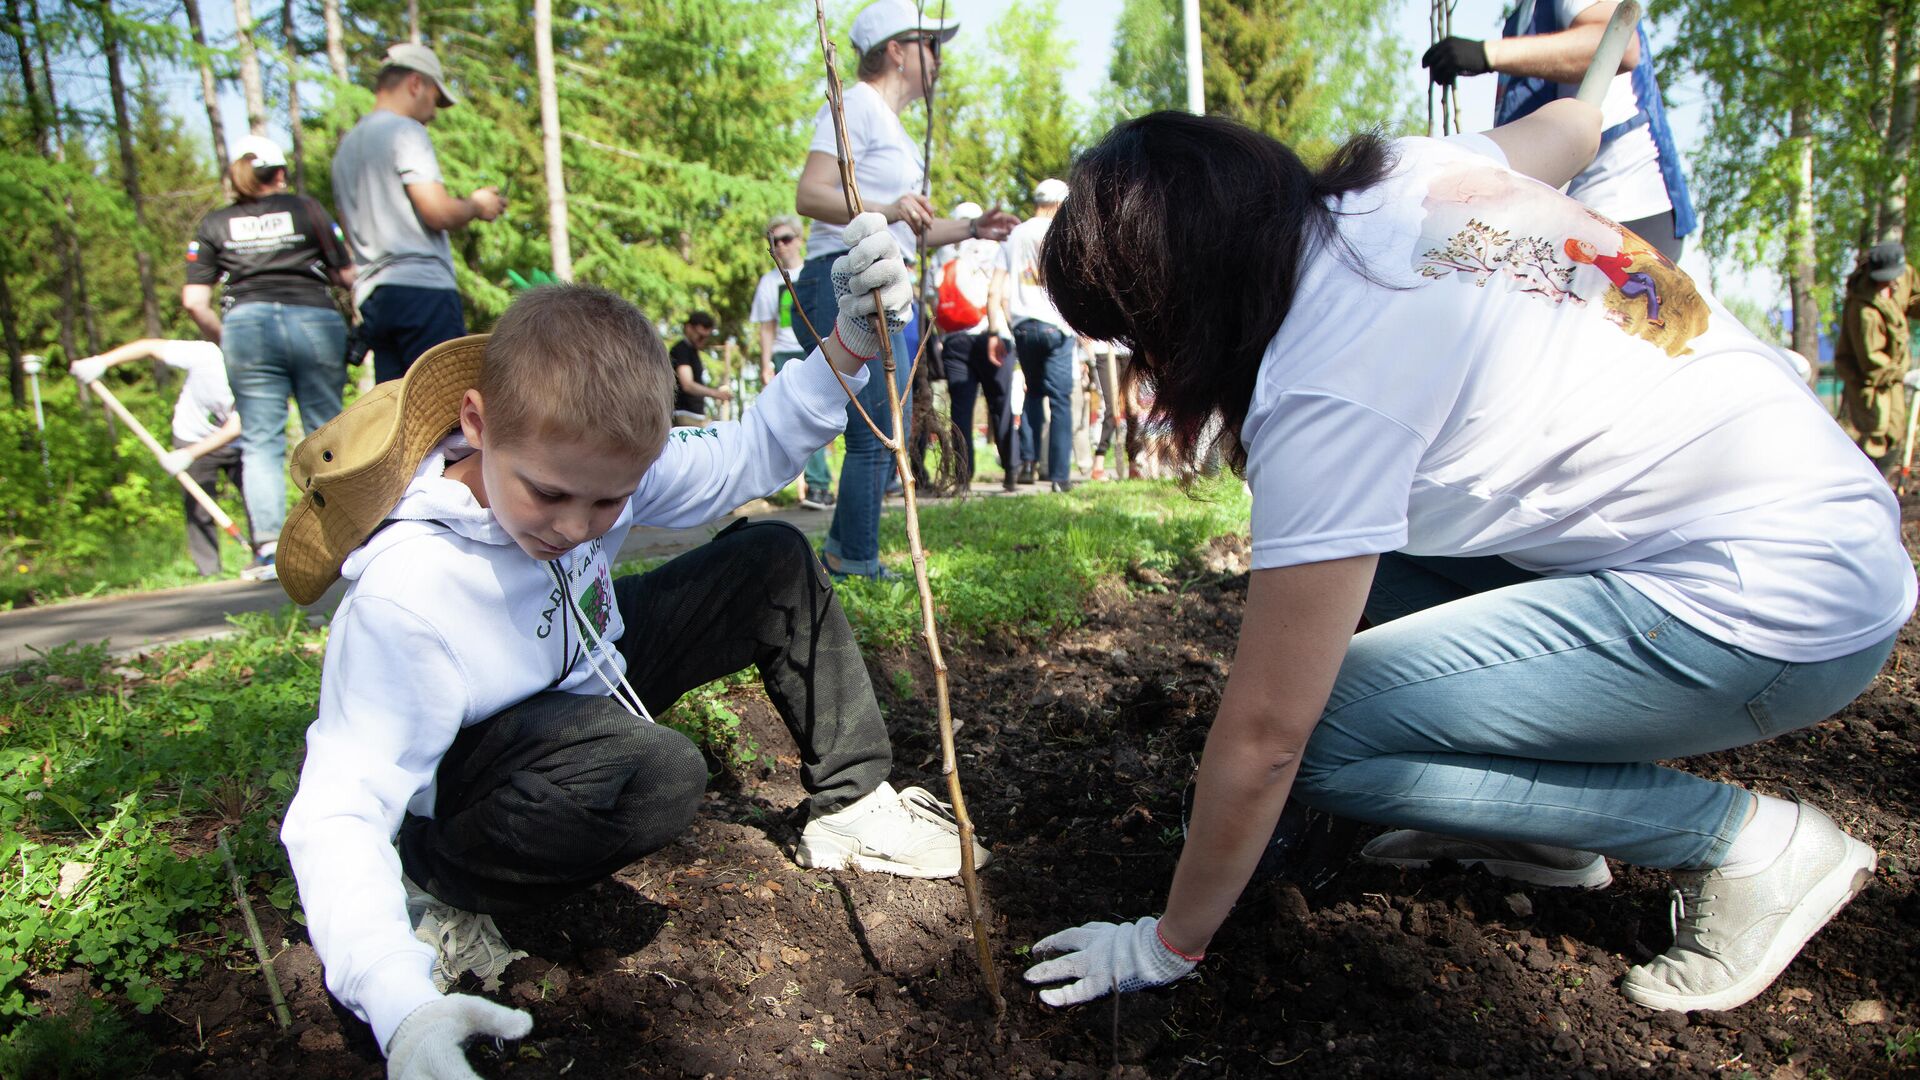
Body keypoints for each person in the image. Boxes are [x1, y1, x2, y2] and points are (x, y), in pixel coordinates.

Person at [1020, 106, 1911, 1016]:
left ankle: (1749, 841)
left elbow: (1266, 740)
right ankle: (1545, 835)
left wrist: (1168, 943)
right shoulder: (1401, 175)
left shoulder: (1326, 385)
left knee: (1326, 738)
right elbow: (1570, 129)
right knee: (1373, 577)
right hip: (1819, 519)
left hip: (1778, 612)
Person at [277, 216, 987, 1075]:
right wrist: (399, 1003)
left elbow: (745, 450)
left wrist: (846, 343)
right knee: (656, 771)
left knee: (769, 559)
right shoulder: (409, 597)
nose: (575, 528)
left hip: (587, 665)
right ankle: (443, 885)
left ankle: (849, 803)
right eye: (550, 494)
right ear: (478, 419)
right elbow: (338, 809)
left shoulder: (587, 465)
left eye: (609, 504)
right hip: (482, 758)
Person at [793, 0, 1016, 577]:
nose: (940, 60)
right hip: (842, 278)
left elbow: (908, 225)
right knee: (876, 435)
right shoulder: (858, 107)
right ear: (896, 50)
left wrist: (972, 227)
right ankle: (855, 561)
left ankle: (846, 553)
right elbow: (811, 194)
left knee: (883, 432)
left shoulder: (891, 125)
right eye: (930, 45)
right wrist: (888, 207)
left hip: (876, 281)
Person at [182, 134, 354, 581]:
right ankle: (344, 537)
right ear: (279, 173)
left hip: (246, 323)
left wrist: (228, 338)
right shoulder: (305, 209)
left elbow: (194, 300)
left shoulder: (215, 223)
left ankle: (268, 553)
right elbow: (346, 273)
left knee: (259, 439)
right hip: (312, 316)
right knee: (327, 428)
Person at [1423, 0, 1694, 263]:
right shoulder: (1524, 16)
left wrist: (1488, 54)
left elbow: (1618, 42)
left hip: (1626, 209)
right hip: (1575, 219)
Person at [332, 43, 506, 384]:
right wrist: (477, 205)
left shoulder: (346, 148)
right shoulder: (405, 131)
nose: (434, 112)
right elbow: (437, 212)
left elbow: (347, 230)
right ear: (415, 84)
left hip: (373, 297)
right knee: (447, 403)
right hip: (422, 292)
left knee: (396, 412)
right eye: (434, 98)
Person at [69, 340, 248, 578]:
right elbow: (150, 347)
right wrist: (102, 361)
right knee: (198, 508)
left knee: (257, 498)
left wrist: (187, 456)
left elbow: (234, 428)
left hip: (240, 442)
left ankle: (267, 558)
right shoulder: (206, 355)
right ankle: (210, 574)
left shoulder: (262, 376)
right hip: (191, 435)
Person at [989, 178, 1078, 492]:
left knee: (1033, 392)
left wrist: (996, 328)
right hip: (1057, 325)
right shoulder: (1065, 231)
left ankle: (1027, 463)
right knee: (1061, 400)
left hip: (1023, 325)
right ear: (1058, 202)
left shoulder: (1015, 234)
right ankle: (1059, 476)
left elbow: (996, 287)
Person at [930, 201, 1016, 489]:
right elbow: (1004, 293)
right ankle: (1011, 470)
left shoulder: (943, 253)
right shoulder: (997, 249)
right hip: (995, 334)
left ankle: (962, 476)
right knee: (1000, 404)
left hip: (956, 339)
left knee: (961, 410)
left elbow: (934, 299)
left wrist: (942, 337)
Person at [753, 217, 833, 509]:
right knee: (799, 420)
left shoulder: (814, 272)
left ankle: (821, 484)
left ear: (799, 239)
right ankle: (816, 486)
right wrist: (766, 363)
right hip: (785, 355)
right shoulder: (769, 282)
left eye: (786, 238)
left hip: (814, 350)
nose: (781, 246)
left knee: (820, 417)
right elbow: (767, 326)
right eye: (774, 242)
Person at [1833, 242, 1920, 467]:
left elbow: (1912, 300)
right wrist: (1902, 372)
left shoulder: (1904, 274)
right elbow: (1871, 360)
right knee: (1876, 438)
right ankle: (1863, 491)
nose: (1891, 281)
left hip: (1893, 379)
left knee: (1895, 433)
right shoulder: (1864, 311)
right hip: (1869, 383)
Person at [668, 311, 730, 427]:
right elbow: (687, 384)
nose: (703, 340)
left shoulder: (691, 351)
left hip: (693, 414)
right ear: (688, 328)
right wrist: (715, 393)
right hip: (684, 413)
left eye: (706, 337)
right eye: (700, 336)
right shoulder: (681, 349)